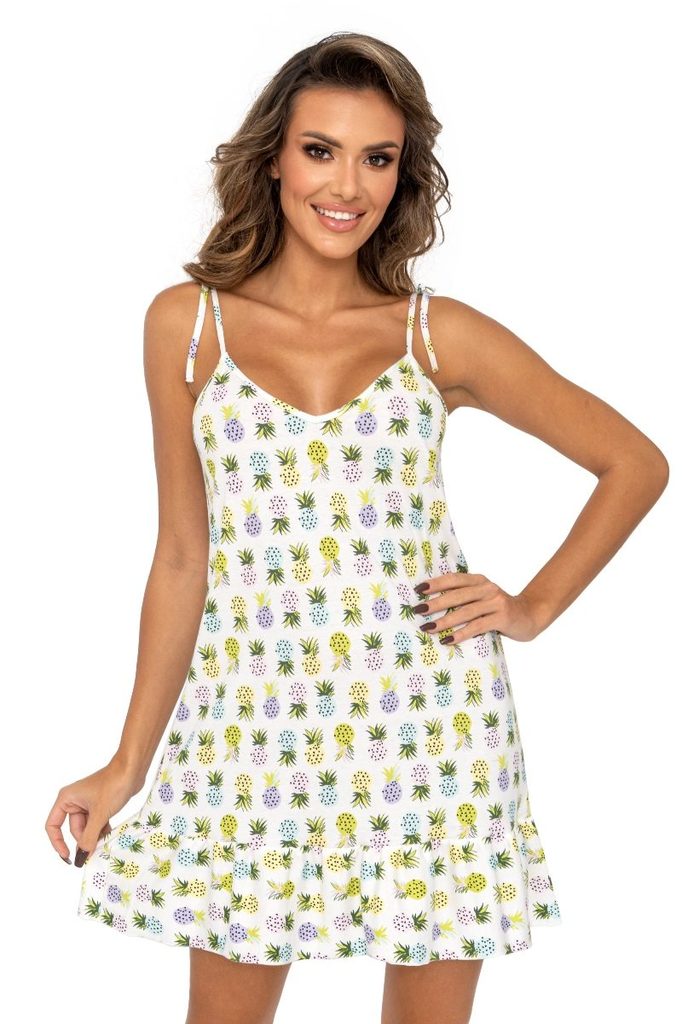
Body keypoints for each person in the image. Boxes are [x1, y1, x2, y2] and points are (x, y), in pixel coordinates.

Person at [45, 30, 668, 1024]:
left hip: (432, 737)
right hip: (249, 733)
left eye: (377, 157)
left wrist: (531, 606)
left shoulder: (434, 334)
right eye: (320, 150)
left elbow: (633, 463)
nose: (347, 185)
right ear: (273, 159)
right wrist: (127, 763)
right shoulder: (187, 326)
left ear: (402, 174)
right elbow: (182, 557)